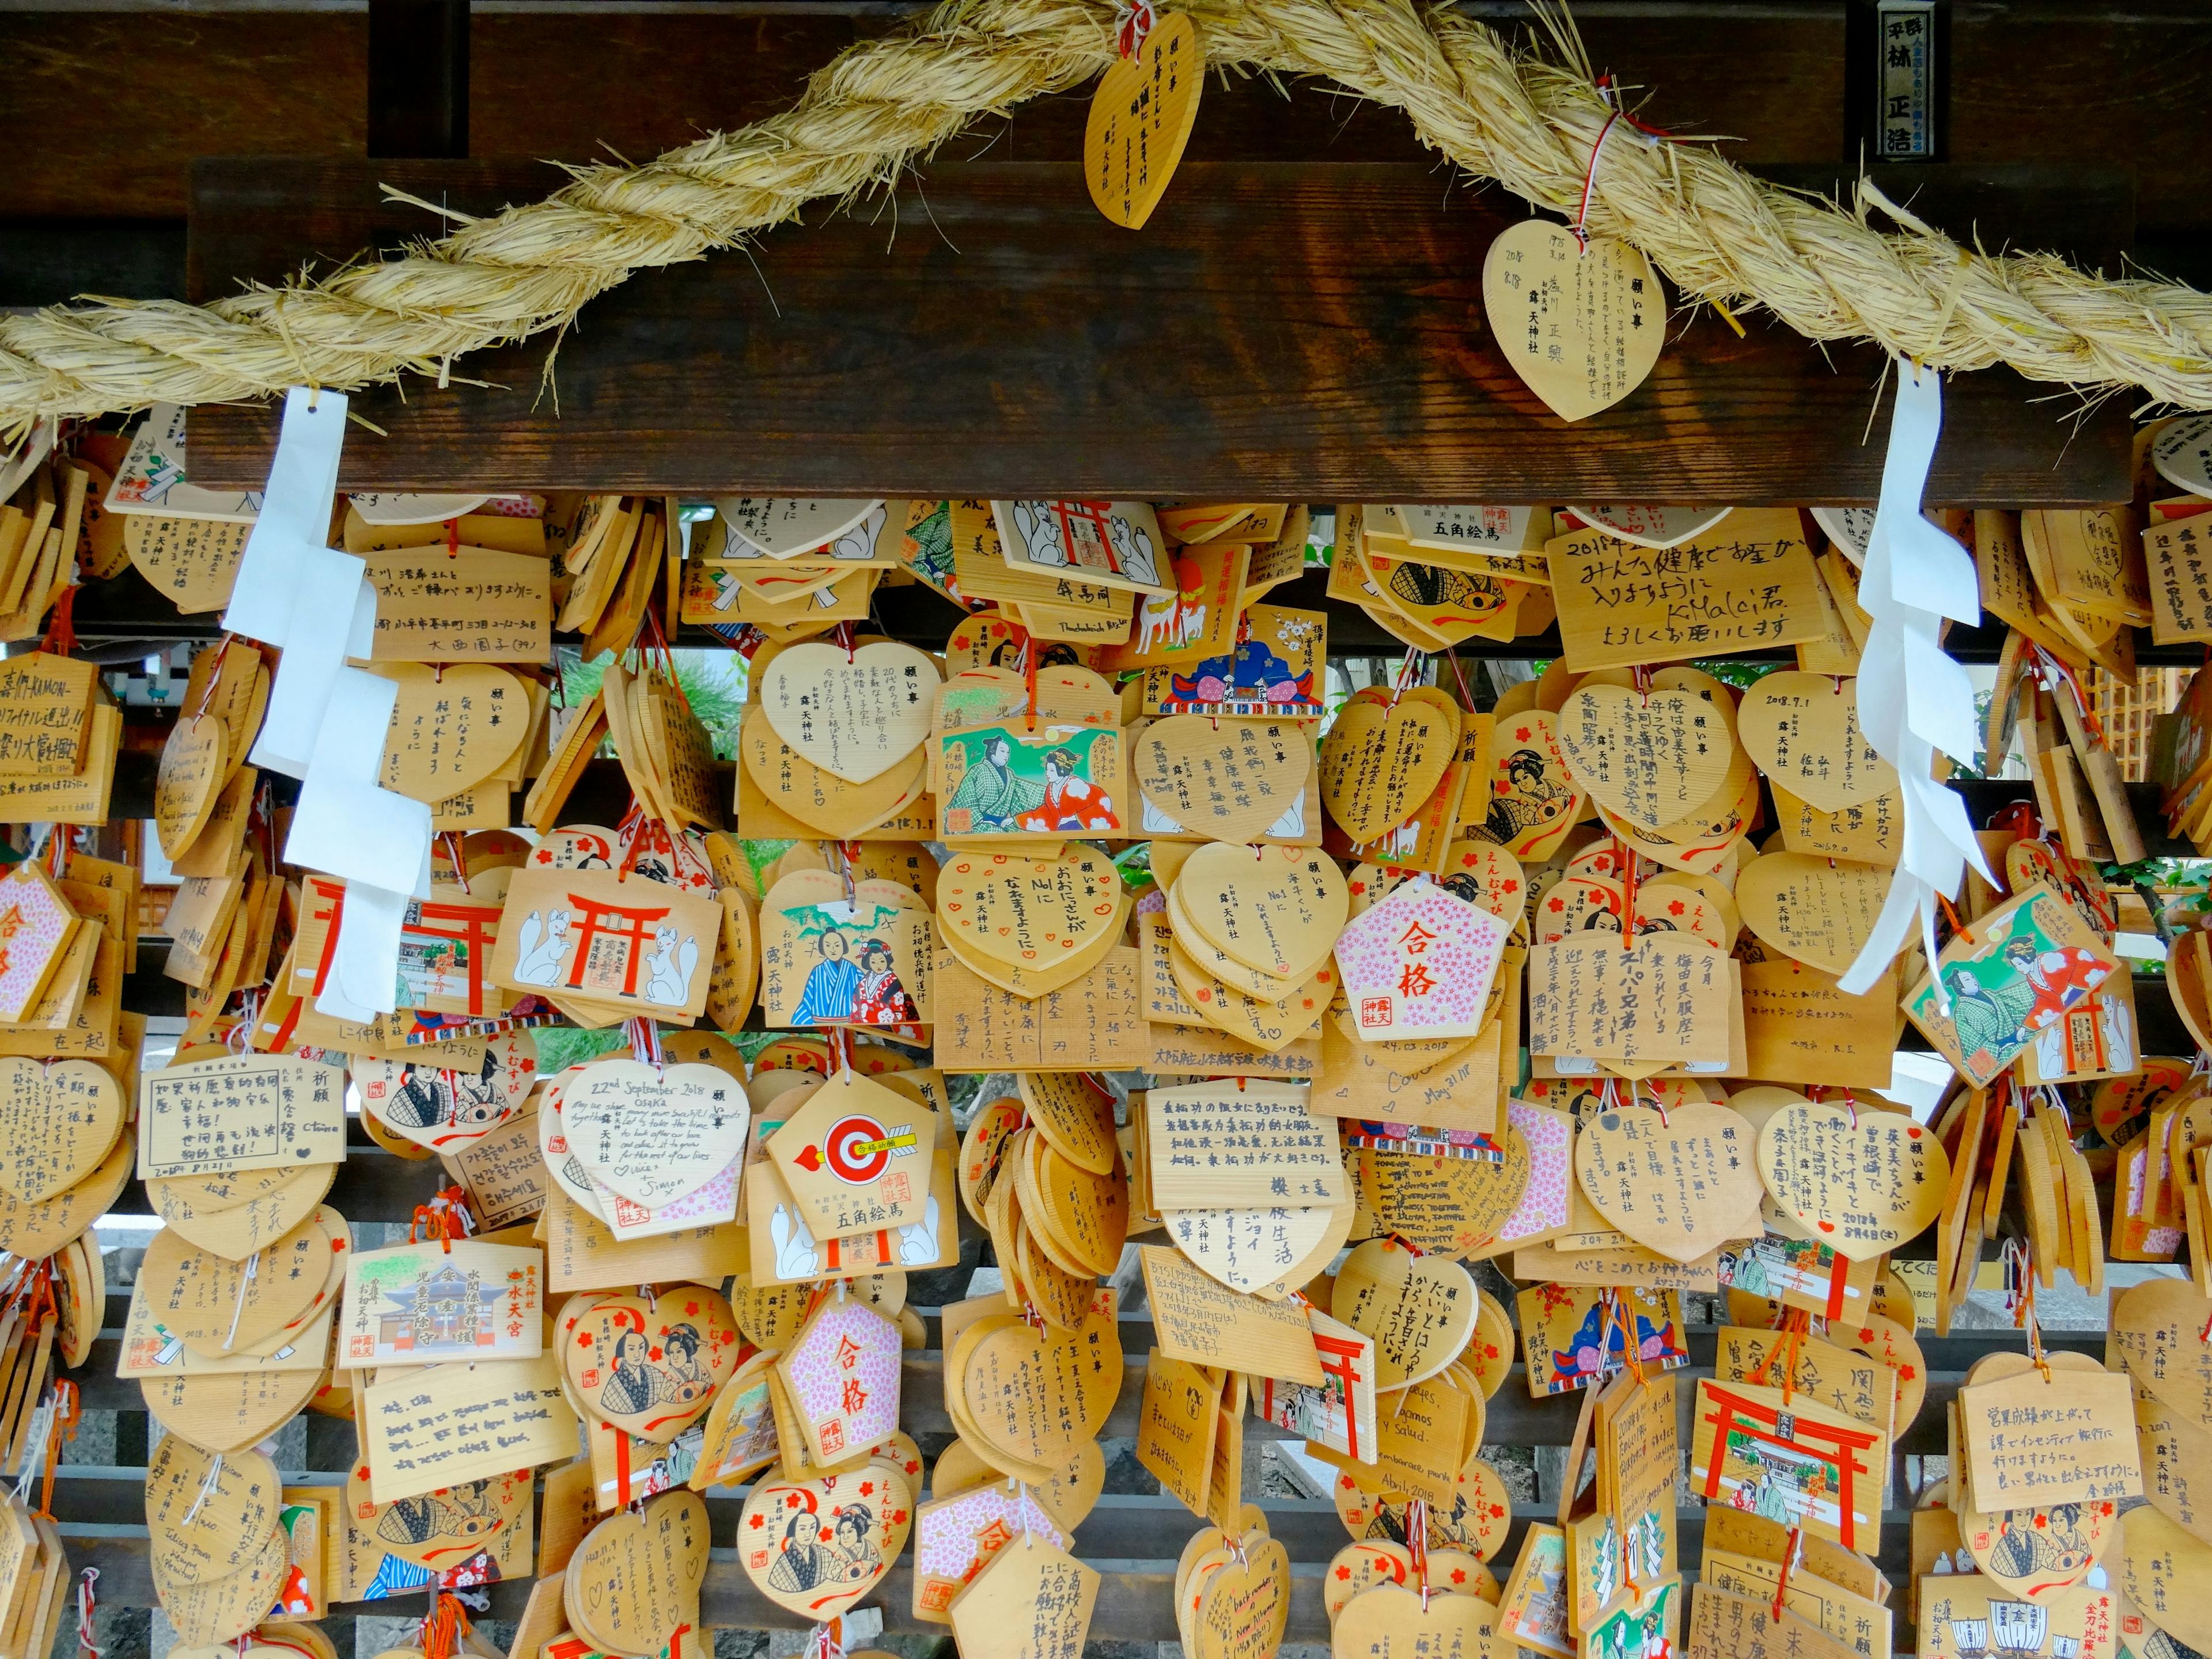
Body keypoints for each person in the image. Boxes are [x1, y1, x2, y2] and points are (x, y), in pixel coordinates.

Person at [945, 733, 1042, 828]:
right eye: (1003, 751)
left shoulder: (1009, 775)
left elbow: (1024, 790)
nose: (1006, 756)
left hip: (1002, 823)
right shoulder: (978, 770)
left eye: (1008, 752)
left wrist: (1050, 792)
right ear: (992, 752)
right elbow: (967, 797)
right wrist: (980, 820)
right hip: (979, 822)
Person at [1015, 747, 1118, 833]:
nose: (1047, 773)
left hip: (1084, 825)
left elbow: (1102, 800)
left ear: (1062, 770)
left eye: (1051, 770)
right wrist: (1017, 819)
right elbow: (1047, 812)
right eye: (1047, 770)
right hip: (1065, 828)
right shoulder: (1050, 789)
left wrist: (1074, 818)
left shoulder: (1076, 785)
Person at [790, 929, 862, 1024]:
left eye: (837, 945)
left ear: (844, 947)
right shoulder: (818, 971)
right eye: (828, 946)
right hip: (820, 1022)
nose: (833, 950)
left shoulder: (853, 969)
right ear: (822, 948)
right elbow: (808, 1000)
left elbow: (865, 992)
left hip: (850, 1021)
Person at [850, 938, 916, 1025]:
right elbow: (855, 1009)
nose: (878, 965)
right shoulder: (862, 984)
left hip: (888, 1026)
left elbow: (899, 1012)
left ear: (887, 960)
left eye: (882, 961)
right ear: (869, 963)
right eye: (873, 962)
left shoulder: (894, 983)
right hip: (864, 1027)